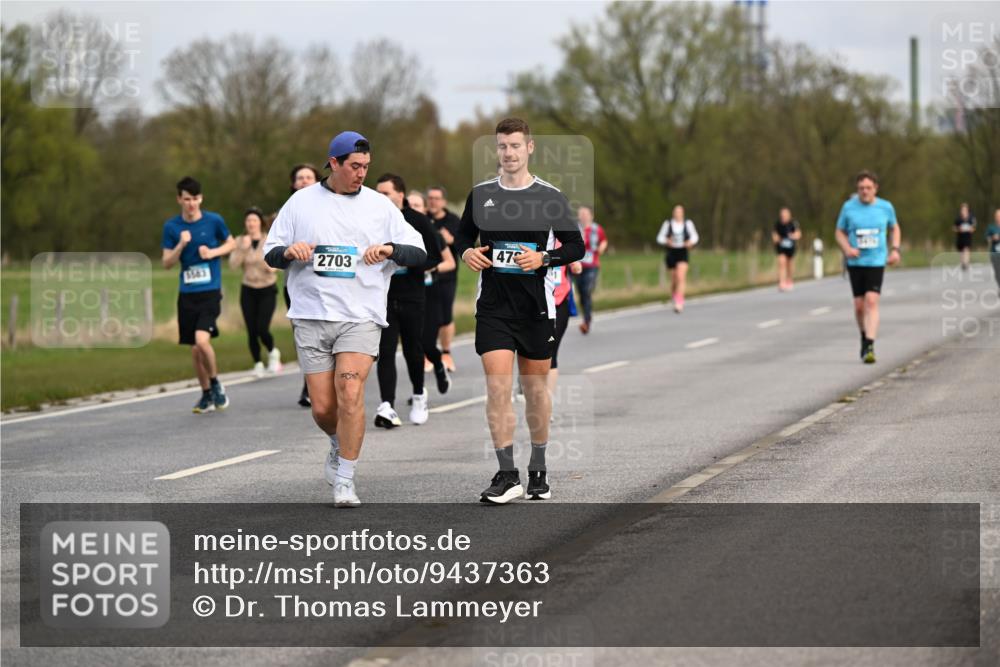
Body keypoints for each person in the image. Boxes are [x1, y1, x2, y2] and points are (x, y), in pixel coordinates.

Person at [264, 131, 427, 507]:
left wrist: (390, 249)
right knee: (323, 408)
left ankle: (346, 480)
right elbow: (269, 252)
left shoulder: (380, 206)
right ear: (333, 163)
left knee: (351, 391)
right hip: (311, 314)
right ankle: (338, 444)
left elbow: (418, 251)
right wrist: (289, 251)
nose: (361, 174)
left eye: (366, 167)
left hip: (361, 315)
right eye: (355, 166)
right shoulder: (300, 203)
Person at [455, 117, 585, 504]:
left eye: (515, 146)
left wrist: (544, 258)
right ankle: (506, 473)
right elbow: (463, 234)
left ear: (529, 148)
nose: (508, 153)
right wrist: (465, 252)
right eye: (502, 146)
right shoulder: (480, 195)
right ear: (496, 150)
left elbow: (575, 247)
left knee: (535, 392)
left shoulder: (549, 196)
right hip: (493, 307)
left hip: (536, 309)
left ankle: (539, 469)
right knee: (497, 388)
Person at [373, 173, 450, 428]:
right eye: (378, 193)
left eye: (385, 193)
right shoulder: (372, 220)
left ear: (400, 195)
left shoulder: (417, 220)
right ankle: (387, 405)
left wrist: (407, 262)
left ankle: (419, 395)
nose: (380, 198)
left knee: (412, 350)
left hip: (412, 294)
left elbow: (435, 256)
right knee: (385, 351)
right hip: (382, 295)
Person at [161, 176, 236, 413]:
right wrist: (181, 246)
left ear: (200, 198)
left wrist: (213, 252)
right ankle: (205, 395)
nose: (191, 204)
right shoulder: (171, 227)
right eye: (187, 199)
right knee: (195, 349)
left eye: (195, 199)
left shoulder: (214, 221)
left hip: (210, 291)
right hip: (187, 294)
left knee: (202, 341)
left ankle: (215, 384)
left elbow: (231, 244)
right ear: (179, 200)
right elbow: (166, 263)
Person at [834, 170, 902, 364]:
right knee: (859, 306)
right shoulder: (848, 207)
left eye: (868, 188)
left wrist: (895, 249)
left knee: (872, 301)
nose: (864, 191)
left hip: (876, 261)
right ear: (857, 189)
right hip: (855, 262)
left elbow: (894, 227)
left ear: (875, 189)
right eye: (861, 188)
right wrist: (847, 248)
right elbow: (839, 232)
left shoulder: (885, 207)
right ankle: (864, 335)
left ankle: (870, 345)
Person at [283, 163, 323, 408]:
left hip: (328, 280)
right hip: (297, 283)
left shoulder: (329, 205)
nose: (304, 181)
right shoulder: (287, 211)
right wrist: (289, 250)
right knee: (304, 333)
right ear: (294, 184)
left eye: (309, 177)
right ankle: (310, 382)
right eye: (300, 178)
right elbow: (275, 247)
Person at [230, 207, 281, 377]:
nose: (251, 223)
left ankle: (273, 352)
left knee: (262, 328)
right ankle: (258, 363)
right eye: (248, 220)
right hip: (248, 289)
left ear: (260, 222)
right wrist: (242, 249)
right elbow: (233, 265)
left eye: (254, 220)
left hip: (267, 289)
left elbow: (275, 266)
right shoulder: (241, 241)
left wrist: (270, 266)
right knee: (251, 329)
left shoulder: (269, 240)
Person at [426, 186, 461, 372]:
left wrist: (452, 240)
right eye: (430, 198)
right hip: (425, 275)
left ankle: (446, 353)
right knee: (426, 315)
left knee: (445, 316)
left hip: (447, 276)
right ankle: (428, 354)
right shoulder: (423, 218)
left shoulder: (453, 220)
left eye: (437, 198)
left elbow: (462, 243)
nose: (433, 201)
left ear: (443, 202)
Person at [548, 242, 583, 398]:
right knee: (532, 351)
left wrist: (576, 265)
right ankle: (526, 384)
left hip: (560, 301)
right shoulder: (533, 234)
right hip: (536, 303)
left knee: (551, 352)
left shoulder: (562, 239)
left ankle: (547, 403)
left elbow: (575, 260)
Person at [656, 205, 699, 313]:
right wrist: (666, 241)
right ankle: (674, 296)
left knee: (681, 277)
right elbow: (659, 238)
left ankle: (679, 303)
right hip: (671, 252)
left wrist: (690, 243)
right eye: (676, 212)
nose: (677, 214)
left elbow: (695, 236)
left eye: (679, 212)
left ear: (683, 213)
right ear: (673, 213)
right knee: (674, 280)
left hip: (682, 251)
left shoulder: (688, 224)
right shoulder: (668, 224)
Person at [573, 205, 607, 334]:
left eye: (585, 214)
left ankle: (586, 321)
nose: (583, 216)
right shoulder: (575, 228)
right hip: (576, 266)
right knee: (581, 292)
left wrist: (602, 248)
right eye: (581, 214)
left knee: (587, 290)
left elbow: (603, 240)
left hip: (591, 266)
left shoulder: (597, 229)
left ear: (591, 216)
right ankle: (586, 315)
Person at [772, 206, 802, 291]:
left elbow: (799, 234)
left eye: (785, 215)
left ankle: (789, 279)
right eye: (782, 215)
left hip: (790, 247)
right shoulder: (778, 224)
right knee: (781, 262)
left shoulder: (793, 223)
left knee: (789, 264)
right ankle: (782, 282)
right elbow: (774, 234)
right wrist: (777, 239)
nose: (783, 217)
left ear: (789, 215)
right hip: (781, 247)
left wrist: (793, 236)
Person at [954, 203, 977, 272]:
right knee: (961, 251)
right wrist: (959, 229)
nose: (963, 211)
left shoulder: (971, 218)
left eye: (965, 209)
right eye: (962, 210)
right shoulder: (958, 219)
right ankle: (963, 263)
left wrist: (970, 229)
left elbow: (974, 227)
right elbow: (954, 228)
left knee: (966, 249)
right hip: (960, 237)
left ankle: (966, 263)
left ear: (967, 210)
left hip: (967, 237)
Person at [987, 208, 1000, 291]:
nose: (998, 217)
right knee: (997, 272)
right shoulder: (991, 227)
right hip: (994, 252)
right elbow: (988, 239)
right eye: (997, 216)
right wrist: (993, 237)